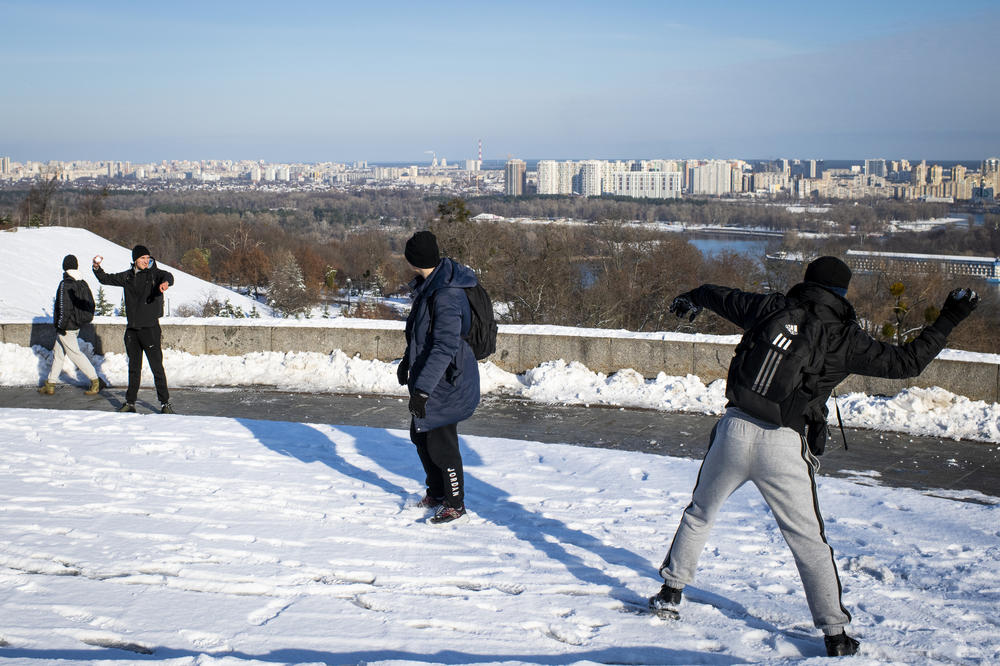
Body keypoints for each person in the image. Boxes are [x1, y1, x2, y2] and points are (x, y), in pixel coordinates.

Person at [649, 256, 980, 658]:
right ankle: (835, 634)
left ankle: (670, 593)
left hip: (735, 430)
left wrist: (693, 297)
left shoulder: (772, 309)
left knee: (700, 513)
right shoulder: (845, 337)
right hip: (784, 446)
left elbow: (723, 296)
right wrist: (950, 316)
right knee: (809, 542)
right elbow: (908, 362)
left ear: (807, 282)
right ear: (842, 292)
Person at [396, 230, 481, 524]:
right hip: (432, 377)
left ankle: (455, 504)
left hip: (448, 381)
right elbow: (421, 337)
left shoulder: (446, 294)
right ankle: (436, 492)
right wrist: (407, 362)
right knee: (419, 435)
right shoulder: (430, 284)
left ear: (414, 260)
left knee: (441, 443)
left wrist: (422, 391)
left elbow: (445, 346)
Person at [92, 245, 175, 414]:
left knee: (156, 367)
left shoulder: (154, 274)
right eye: (142, 258)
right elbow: (105, 279)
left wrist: (166, 283)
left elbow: (168, 276)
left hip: (150, 329)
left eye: (148, 258)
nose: (146, 261)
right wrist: (96, 267)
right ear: (135, 259)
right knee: (134, 368)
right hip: (132, 330)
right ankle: (130, 402)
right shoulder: (127, 276)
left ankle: (165, 403)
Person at [38, 254, 101, 396]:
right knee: (58, 354)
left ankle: (95, 380)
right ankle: (51, 383)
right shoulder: (81, 282)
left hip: (66, 327)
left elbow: (64, 308)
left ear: (64, 267)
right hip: (75, 325)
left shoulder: (65, 284)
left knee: (75, 354)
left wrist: (60, 326)